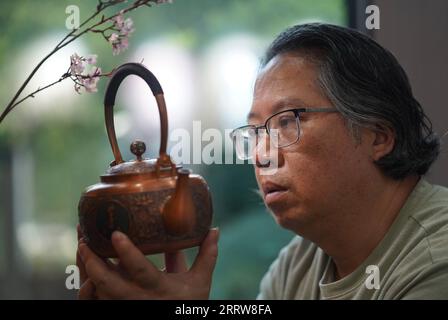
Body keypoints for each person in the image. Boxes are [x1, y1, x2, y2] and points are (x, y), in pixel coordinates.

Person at [77, 23, 448, 299]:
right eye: (254, 132)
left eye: (287, 122)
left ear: (378, 136)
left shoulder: (435, 261)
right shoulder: (297, 264)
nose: (261, 154)